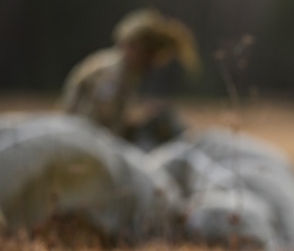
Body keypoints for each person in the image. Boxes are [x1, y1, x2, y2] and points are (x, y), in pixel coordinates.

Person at [62, 8, 199, 150]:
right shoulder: (110, 74)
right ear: (133, 48)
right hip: (88, 148)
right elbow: (100, 124)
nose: (153, 63)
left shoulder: (125, 74)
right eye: (148, 55)